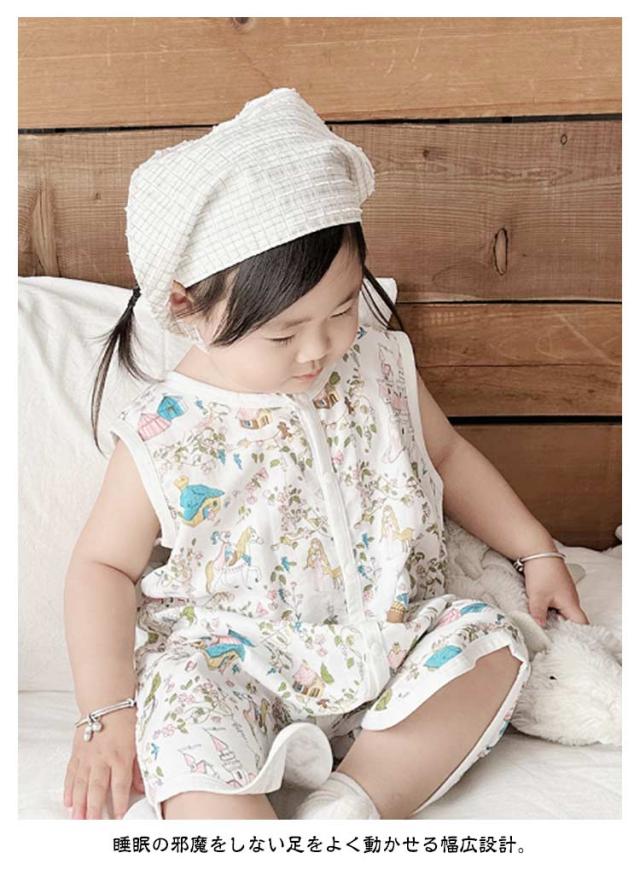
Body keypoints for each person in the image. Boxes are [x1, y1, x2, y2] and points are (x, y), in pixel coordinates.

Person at [62, 87, 589, 822]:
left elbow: (447, 455)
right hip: (234, 662)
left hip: (390, 636)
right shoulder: (164, 429)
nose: (319, 350)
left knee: (489, 643)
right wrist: (106, 711)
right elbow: (101, 567)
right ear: (186, 305)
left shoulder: (375, 365)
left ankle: (352, 805)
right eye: (283, 333)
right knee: (184, 718)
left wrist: (536, 550)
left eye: (341, 309)